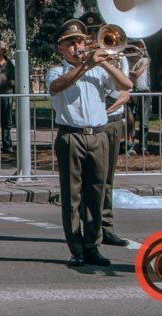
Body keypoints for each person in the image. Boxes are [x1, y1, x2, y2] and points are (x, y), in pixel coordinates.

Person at [46, 19, 133, 268]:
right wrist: (85, 65)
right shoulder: (57, 70)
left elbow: (126, 85)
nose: (77, 45)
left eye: (81, 41)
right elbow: (56, 86)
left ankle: (93, 245)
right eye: (71, 42)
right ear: (60, 48)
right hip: (71, 135)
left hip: (98, 135)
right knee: (72, 197)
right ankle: (76, 249)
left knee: (96, 193)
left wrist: (104, 61)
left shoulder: (98, 69)